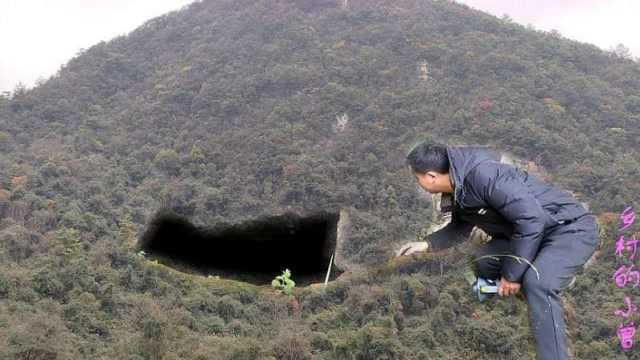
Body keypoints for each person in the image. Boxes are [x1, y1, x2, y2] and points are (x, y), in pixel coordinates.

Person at [396, 141, 599, 360]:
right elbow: (459, 227)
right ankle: (523, 283)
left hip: (567, 229)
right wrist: (427, 244)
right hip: (528, 236)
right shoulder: (458, 187)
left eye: (418, 179)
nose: (419, 184)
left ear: (431, 176)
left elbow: (531, 220)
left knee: (538, 283)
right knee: (483, 260)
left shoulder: (485, 176)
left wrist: (512, 276)